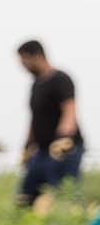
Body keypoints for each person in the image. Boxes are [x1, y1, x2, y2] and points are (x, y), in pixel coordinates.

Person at [17, 39, 83, 209]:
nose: (23, 66)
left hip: (63, 148)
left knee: (63, 193)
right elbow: (34, 118)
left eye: (24, 61)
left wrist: (64, 138)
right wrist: (27, 146)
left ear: (36, 56)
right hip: (41, 150)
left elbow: (69, 111)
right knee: (26, 194)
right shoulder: (36, 85)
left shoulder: (60, 79)